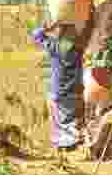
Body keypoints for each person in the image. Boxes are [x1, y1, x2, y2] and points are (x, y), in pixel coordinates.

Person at [31, 19, 90, 151]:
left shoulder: (54, 46)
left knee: (59, 120)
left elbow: (36, 35)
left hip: (58, 91)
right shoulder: (79, 49)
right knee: (72, 119)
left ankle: (66, 144)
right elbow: (88, 31)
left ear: (61, 34)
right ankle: (72, 142)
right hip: (75, 90)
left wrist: (48, 27)